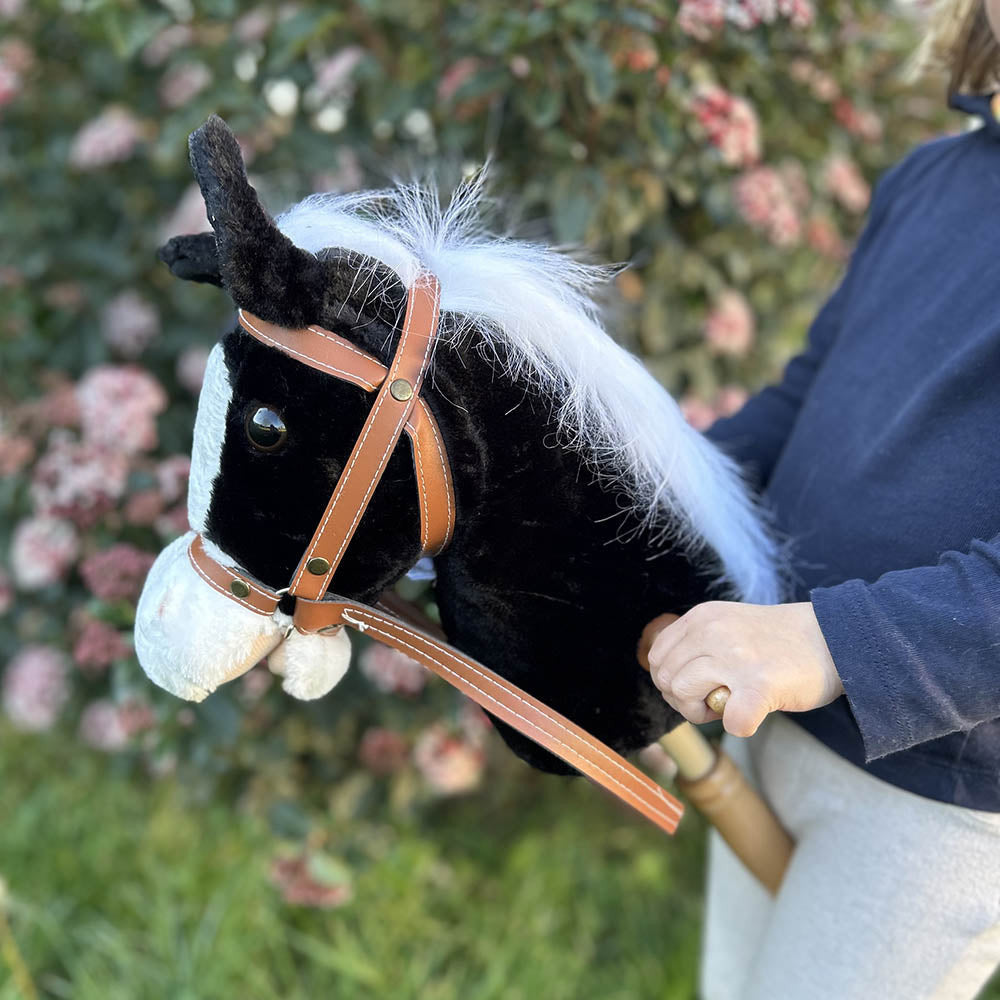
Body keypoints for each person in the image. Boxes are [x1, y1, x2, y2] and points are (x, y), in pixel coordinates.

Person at [646, 2, 1000, 997]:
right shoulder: (931, 177)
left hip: (933, 808)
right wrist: (633, 495)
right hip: (772, 727)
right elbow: (803, 400)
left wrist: (831, 645)